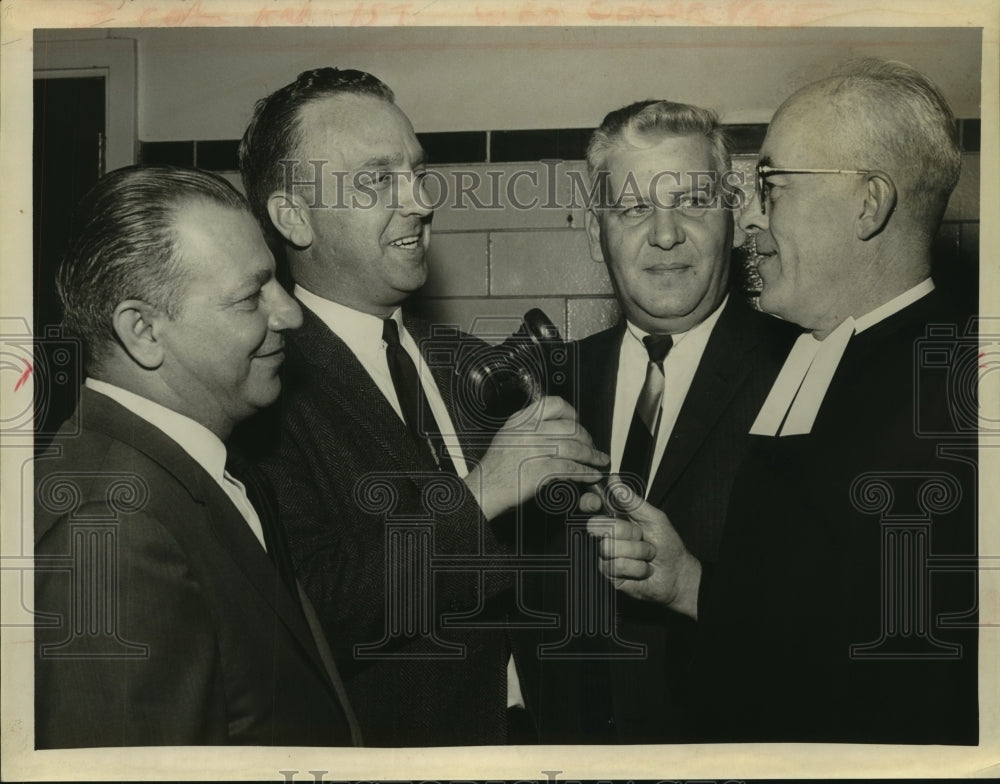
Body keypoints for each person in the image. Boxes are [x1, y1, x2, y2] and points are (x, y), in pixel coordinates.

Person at [586, 59, 978, 744]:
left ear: (868, 204)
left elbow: (892, 692)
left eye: (771, 188)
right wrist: (688, 585)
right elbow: (808, 616)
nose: (751, 221)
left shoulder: (947, 402)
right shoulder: (830, 352)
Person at [236, 67, 608, 746]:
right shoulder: (261, 394)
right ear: (293, 217)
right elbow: (311, 610)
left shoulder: (461, 359)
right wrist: (484, 493)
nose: (419, 201)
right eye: (378, 179)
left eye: (416, 171)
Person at [34, 165, 360, 748]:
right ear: (144, 332)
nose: (290, 313)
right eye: (248, 297)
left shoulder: (190, 472)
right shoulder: (112, 531)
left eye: (277, 282)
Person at [526, 100, 797, 743]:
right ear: (596, 235)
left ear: (732, 220)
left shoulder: (802, 370)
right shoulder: (545, 386)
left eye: (694, 203)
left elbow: (838, 617)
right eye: (634, 208)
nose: (666, 234)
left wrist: (695, 585)